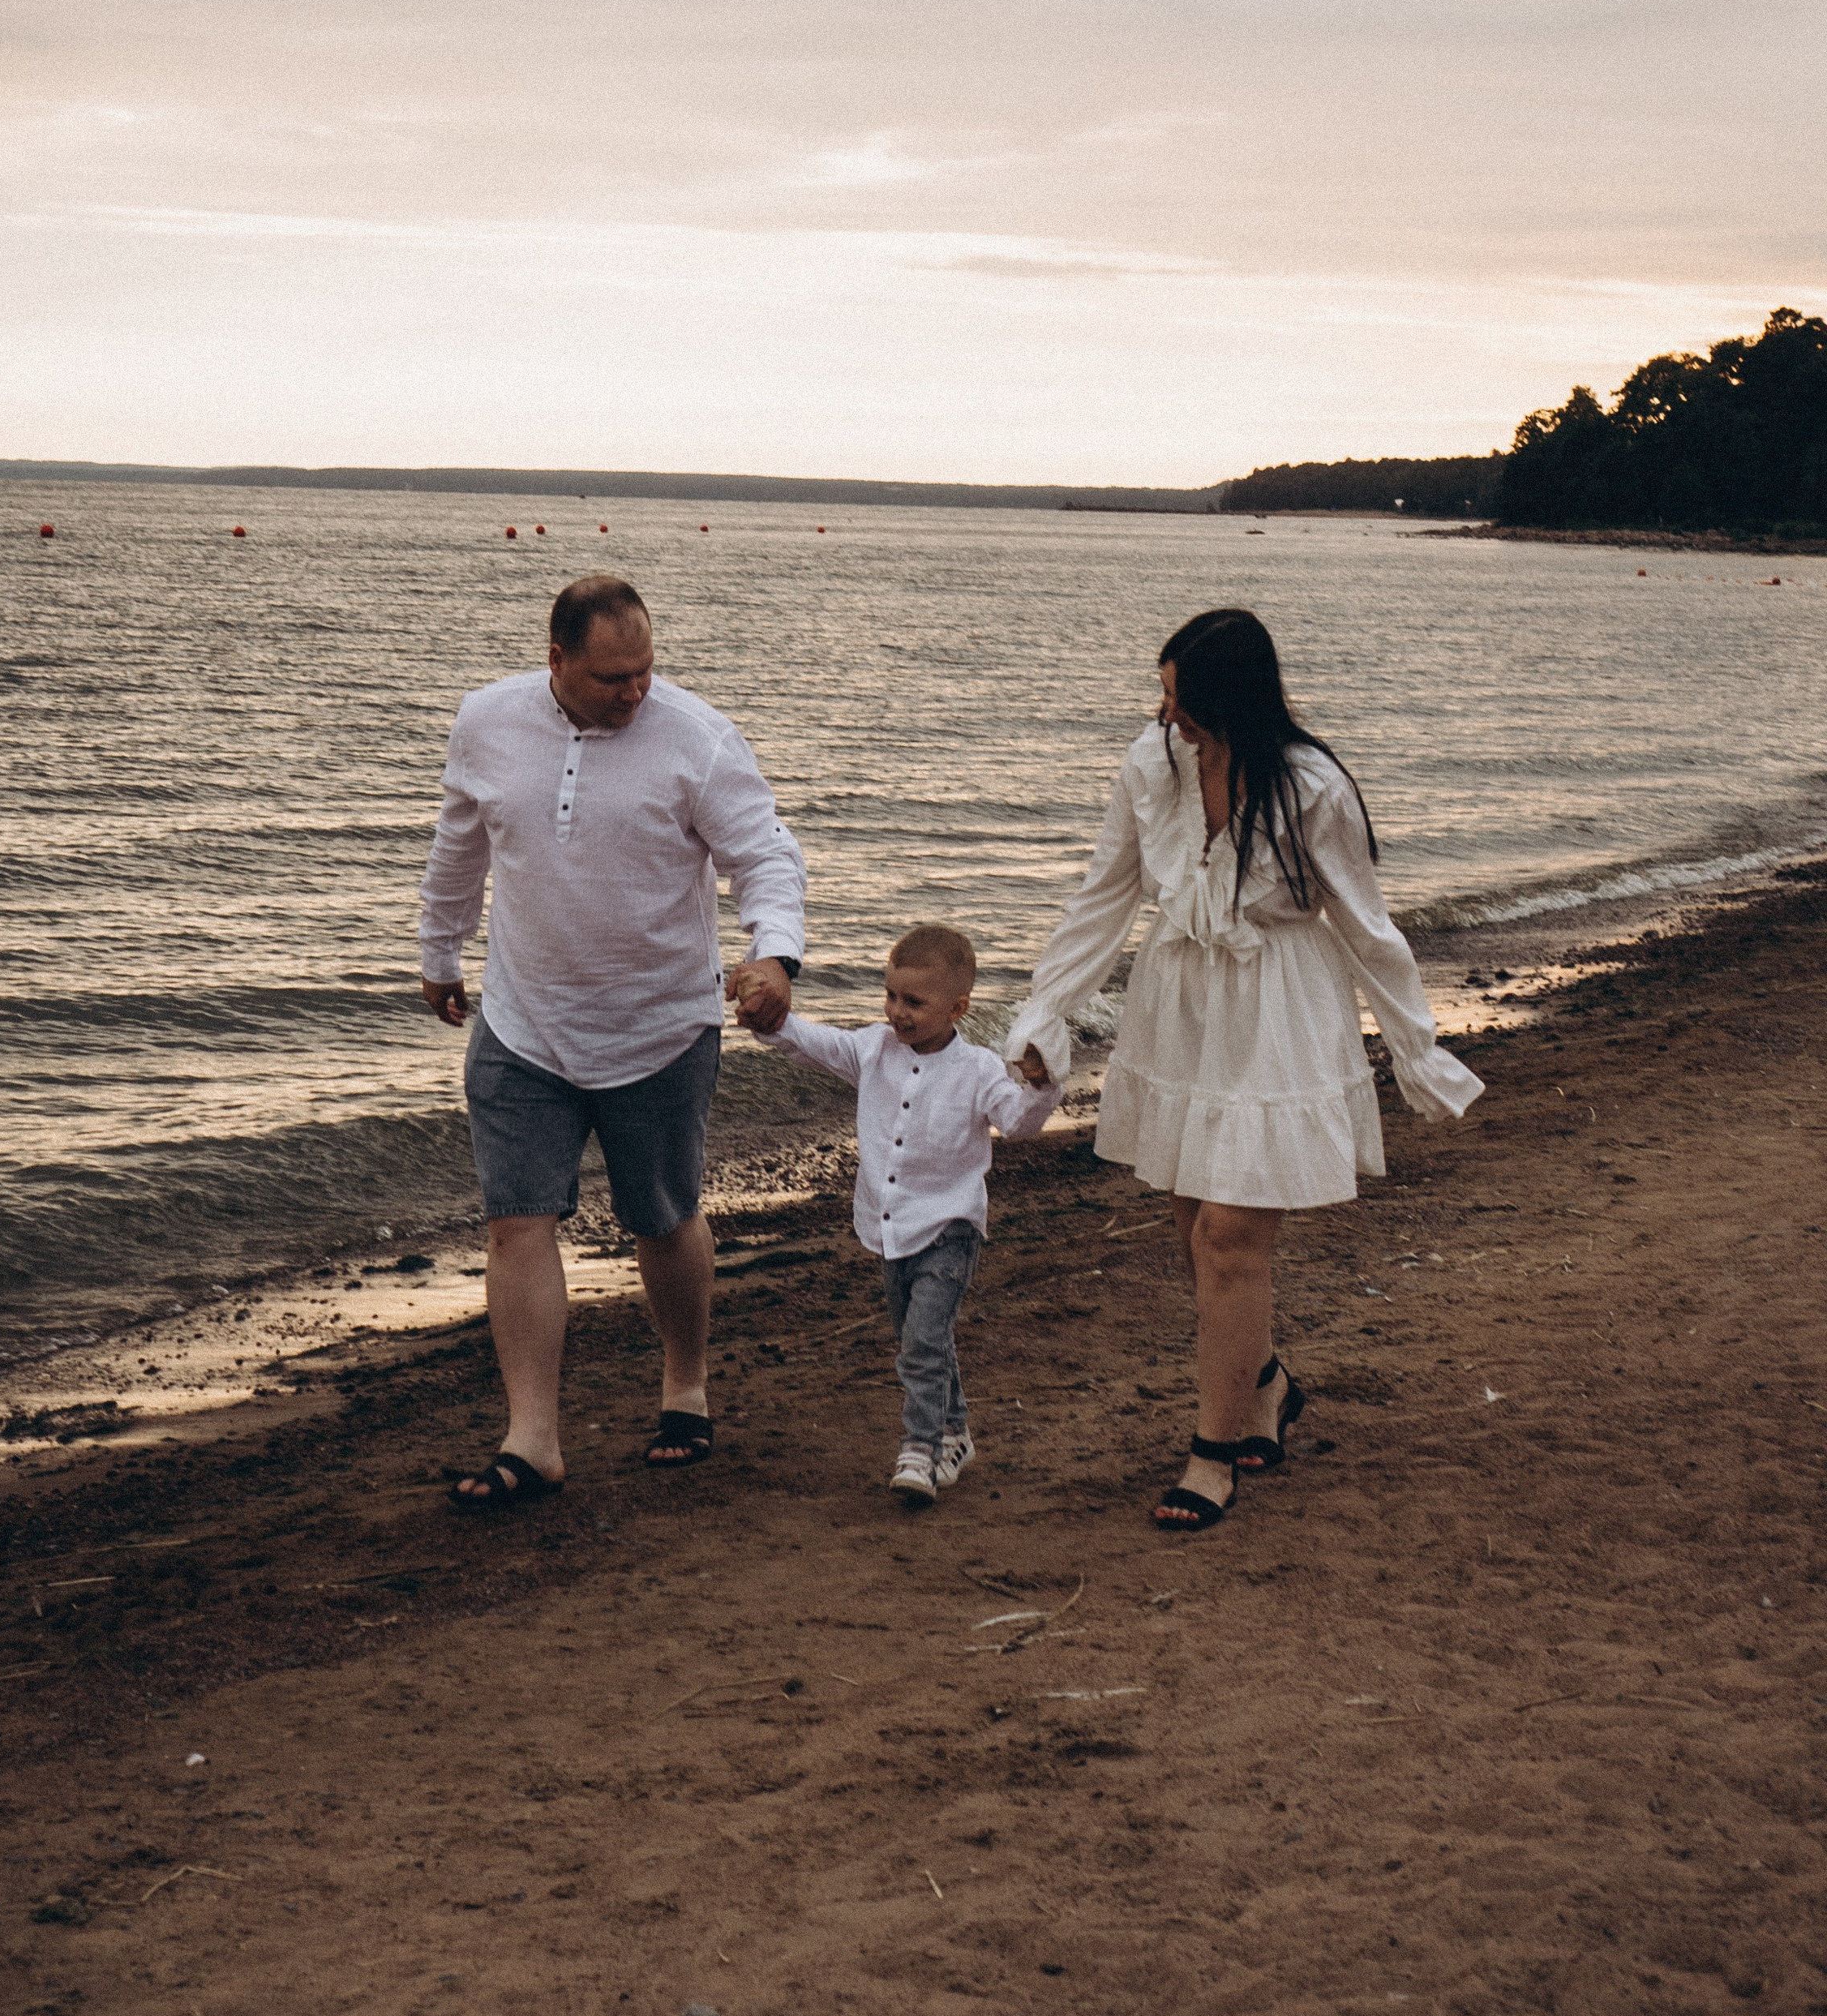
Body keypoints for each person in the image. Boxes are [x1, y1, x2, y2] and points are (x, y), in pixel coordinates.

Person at [1004, 607, 1481, 1533]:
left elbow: (1366, 926)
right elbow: (1104, 895)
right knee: (1195, 1230)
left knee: (1229, 1235)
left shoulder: (1311, 787)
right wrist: (1044, 1016)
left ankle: (1211, 1451)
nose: (1165, 715)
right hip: (1181, 1003)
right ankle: (1262, 1384)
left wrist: (1415, 1049)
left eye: (1181, 700)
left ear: (1231, 700)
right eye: (1163, 694)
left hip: (1278, 1007)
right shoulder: (1152, 763)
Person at [419, 576, 806, 1508]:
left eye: (644, 671)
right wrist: (439, 947)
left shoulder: (698, 738)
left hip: (661, 1024)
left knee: (662, 1219)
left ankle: (684, 1388)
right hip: (522, 1023)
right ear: (555, 661)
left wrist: (776, 957)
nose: (634, 693)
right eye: (609, 678)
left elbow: (764, 854)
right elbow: (460, 841)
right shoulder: (486, 720)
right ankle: (533, 1439)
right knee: (517, 1222)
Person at [742, 924, 1060, 1503]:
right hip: (888, 1228)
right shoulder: (873, 1050)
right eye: (891, 995)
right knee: (923, 1338)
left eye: (914, 1002)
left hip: (951, 1228)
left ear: (958, 1007)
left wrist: (1041, 1086)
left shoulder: (980, 1069)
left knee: (921, 1342)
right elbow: (818, 1045)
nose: (897, 1011)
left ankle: (920, 1447)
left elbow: (1019, 1122)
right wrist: (774, 1021)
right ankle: (956, 1432)